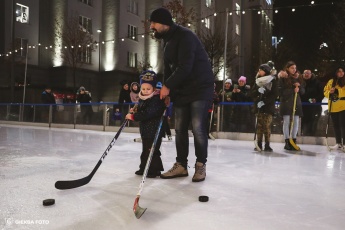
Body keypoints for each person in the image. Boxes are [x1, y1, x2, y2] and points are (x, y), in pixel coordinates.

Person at [149, 7, 214, 182]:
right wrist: (166, 88)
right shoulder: (167, 41)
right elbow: (168, 69)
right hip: (182, 90)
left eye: (154, 23)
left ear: (164, 23)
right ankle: (181, 165)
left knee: (198, 128)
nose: (151, 26)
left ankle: (200, 165)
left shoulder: (186, 36)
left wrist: (168, 86)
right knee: (179, 129)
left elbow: (186, 66)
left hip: (200, 88)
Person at [125, 70, 166, 178]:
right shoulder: (142, 99)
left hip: (154, 131)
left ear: (153, 89)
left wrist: (134, 116)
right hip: (146, 131)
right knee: (145, 151)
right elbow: (142, 110)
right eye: (143, 88)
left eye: (148, 89)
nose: (146, 91)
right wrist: (135, 111)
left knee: (152, 151)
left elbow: (148, 113)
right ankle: (144, 168)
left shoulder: (156, 99)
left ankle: (154, 170)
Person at [250, 63, 278, 151]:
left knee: (266, 126)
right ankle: (259, 143)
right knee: (259, 126)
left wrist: (264, 101)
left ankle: (267, 144)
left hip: (268, 108)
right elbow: (251, 93)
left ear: (265, 71)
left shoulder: (272, 81)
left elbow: (274, 94)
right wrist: (258, 92)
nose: (259, 71)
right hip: (259, 108)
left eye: (261, 70)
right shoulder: (257, 81)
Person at [278, 61, 305, 150]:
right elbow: (281, 92)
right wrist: (292, 89)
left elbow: (303, 91)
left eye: (295, 68)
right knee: (286, 122)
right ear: (287, 69)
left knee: (296, 122)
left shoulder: (299, 78)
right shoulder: (283, 78)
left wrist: (299, 88)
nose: (294, 70)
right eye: (292, 68)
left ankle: (293, 140)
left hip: (296, 103)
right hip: (286, 103)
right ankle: (287, 141)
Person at [324, 67, 345, 151]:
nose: (341, 73)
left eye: (342, 71)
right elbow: (325, 91)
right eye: (339, 71)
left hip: (343, 106)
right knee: (336, 125)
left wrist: (337, 91)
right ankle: (338, 143)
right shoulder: (331, 81)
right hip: (333, 107)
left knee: (343, 125)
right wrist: (330, 92)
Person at [300, 69, 324, 136]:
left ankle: (310, 135)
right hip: (301, 107)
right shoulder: (300, 82)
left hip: (314, 108)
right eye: (305, 73)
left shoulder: (317, 82)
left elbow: (322, 93)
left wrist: (316, 99)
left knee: (312, 123)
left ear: (311, 74)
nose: (306, 74)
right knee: (301, 122)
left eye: (308, 73)